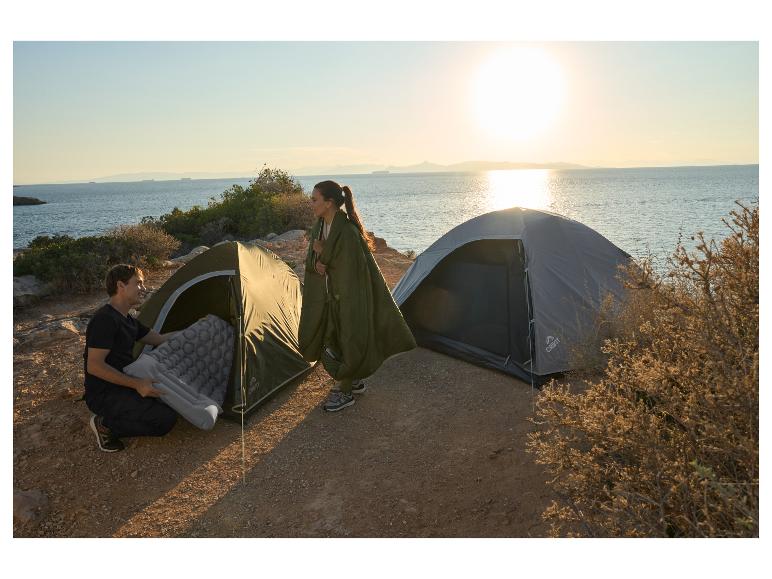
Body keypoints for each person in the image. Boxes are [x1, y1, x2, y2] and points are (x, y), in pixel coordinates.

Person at [299, 180, 416, 412]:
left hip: (350, 297)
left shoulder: (349, 232)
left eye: (314, 199)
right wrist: (318, 263)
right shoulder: (320, 225)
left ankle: (344, 391)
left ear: (329, 202)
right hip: (331, 295)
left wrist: (325, 254)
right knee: (331, 337)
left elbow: (350, 270)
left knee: (347, 337)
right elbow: (314, 260)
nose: (310, 204)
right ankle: (352, 380)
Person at [83, 264, 178, 452]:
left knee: (166, 402)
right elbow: (94, 366)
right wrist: (137, 384)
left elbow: (158, 339)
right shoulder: (104, 320)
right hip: (104, 393)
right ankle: (105, 425)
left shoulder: (128, 320)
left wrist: (195, 330)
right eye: (139, 283)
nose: (144, 288)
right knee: (165, 420)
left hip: (124, 385)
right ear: (121, 285)